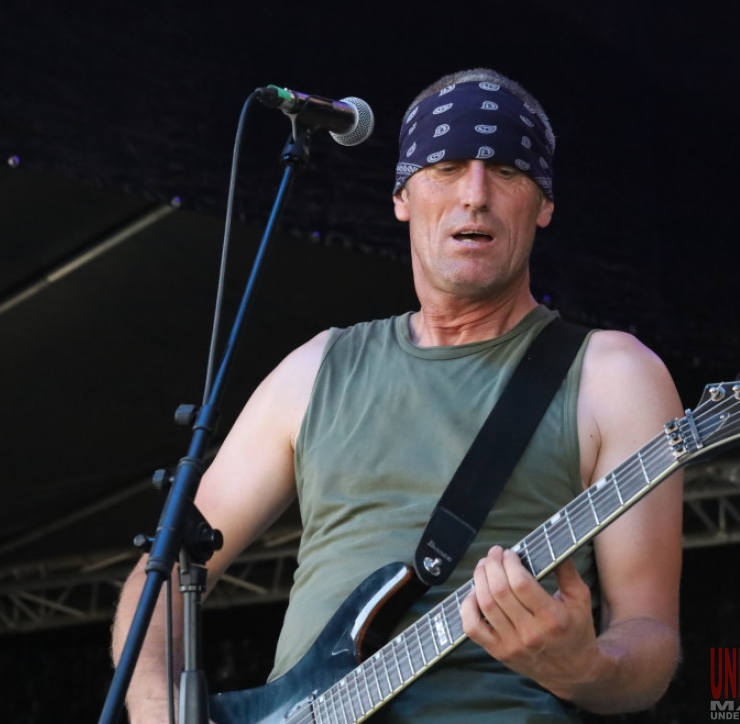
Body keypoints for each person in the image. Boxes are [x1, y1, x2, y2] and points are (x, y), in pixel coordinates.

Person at [112, 67, 684, 723]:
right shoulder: (316, 370)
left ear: (544, 204)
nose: (475, 195)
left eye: (506, 171)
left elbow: (650, 633)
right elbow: (165, 573)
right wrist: (156, 706)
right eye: (447, 168)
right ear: (402, 197)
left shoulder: (614, 375)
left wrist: (589, 669)